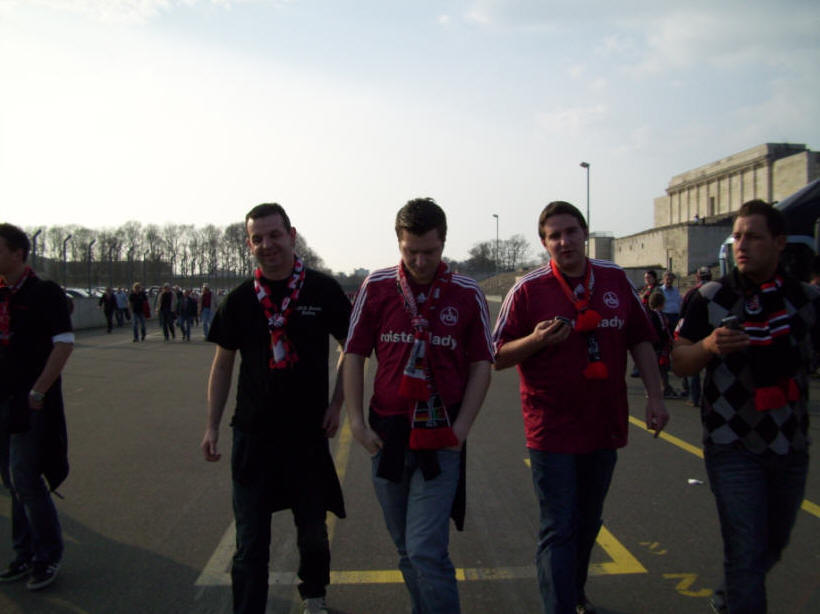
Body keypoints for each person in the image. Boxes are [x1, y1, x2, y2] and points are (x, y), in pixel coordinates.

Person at [492, 201, 669, 614]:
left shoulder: (614, 279)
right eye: (554, 235)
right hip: (551, 428)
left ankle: (574, 594)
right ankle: (560, 605)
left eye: (571, 232)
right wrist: (536, 340)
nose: (564, 241)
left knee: (588, 522)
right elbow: (495, 355)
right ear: (544, 243)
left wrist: (656, 397)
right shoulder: (528, 289)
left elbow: (640, 339)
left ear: (584, 234)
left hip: (603, 423)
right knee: (559, 525)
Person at [343, 197, 493, 614]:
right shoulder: (376, 287)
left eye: (430, 251)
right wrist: (356, 423)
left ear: (444, 242)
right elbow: (353, 354)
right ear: (398, 242)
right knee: (406, 549)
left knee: (426, 548)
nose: (421, 262)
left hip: (440, 436)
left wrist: (461, 430)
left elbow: (483, 363)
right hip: (387, 435)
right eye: (411, 251)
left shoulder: (466, 292)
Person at [200, 203, 351, 614]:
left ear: (292, 235)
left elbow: (351, 348)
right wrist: (212, 426)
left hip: (307, 435)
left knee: (313, 532)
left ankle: (314, 594)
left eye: (274, 235)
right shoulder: (239, 300)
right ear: (250, 244)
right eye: (257, 238)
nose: (267, 244)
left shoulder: (322, 290)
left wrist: (337, 403)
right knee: (250, 542)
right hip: (253, 436)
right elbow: (222, 365)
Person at [672, 200, 819, 614]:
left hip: (790, 443)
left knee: (772, 543)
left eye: (753, 237)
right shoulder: (710, 297)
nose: (741, 245)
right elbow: (679, 361)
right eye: (737, 236)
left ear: (779, 242)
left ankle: (730, 594)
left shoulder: (806, 299)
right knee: (746, 548)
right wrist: (708, 345)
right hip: (731, 444)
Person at [0, 223, 73, 591]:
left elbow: (64, 343)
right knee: (12, 481)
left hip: (28, 401)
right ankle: (24, 553)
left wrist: (38, 391)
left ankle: (48, 554)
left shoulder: (44, 292)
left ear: (18, 253)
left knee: (26, 479)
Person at [678, 266, 712, 406]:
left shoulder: (693, 292)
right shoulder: (719, 291)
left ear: (697, 277)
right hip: (713, 332)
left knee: (693, 365)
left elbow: (683, 312)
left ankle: (693, 397)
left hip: (694, 332)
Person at [647, 291, 676, 398]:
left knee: (658, 368)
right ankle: (664, 388)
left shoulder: (656, 315)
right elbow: (661, 330)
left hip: (658, 345)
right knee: (661, 368)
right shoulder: (656, 316)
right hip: (658, 345)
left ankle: (658, 388)